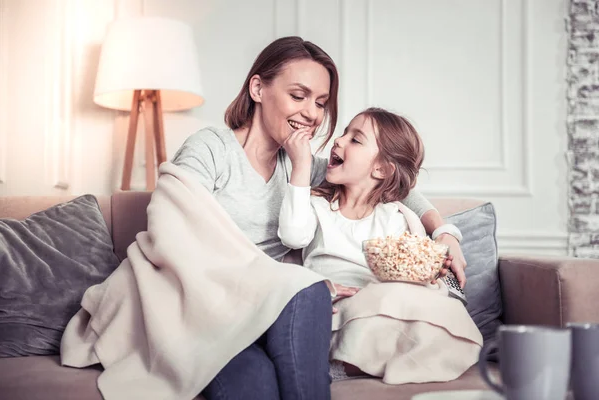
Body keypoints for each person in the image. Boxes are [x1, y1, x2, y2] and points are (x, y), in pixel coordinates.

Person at [171, 36, 466, 399]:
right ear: (258, 88)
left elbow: (395, 182)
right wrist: (284, 284)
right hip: (209, 308)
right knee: (258, 373)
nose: (312, 113)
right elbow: (177, 238)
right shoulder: (211, 150)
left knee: (306, 296)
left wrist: (446, 233)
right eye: (299, 96)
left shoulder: (302, 167)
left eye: (321, 102)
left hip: (264, 315)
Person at [277, 107, 481, 383]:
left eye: (355, 139)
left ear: (381, 168)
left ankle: (373, 361)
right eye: (345, 132)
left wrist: (436, 253)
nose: (339, 140)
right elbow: (293, 236)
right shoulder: (318, 207)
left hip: (382, 307)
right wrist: (300, 166)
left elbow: (410, 271)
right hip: (338, 306)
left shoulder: (395, 216)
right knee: (371, 302)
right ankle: (345, 363)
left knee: (409, 301)